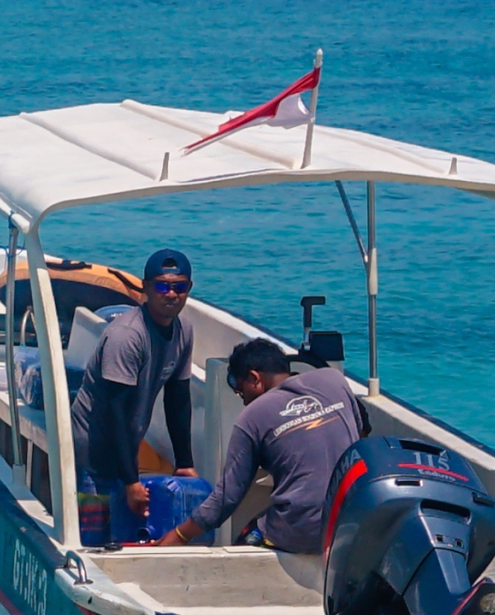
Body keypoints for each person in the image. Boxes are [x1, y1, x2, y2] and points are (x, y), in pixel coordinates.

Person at [159, 335, 366, 581]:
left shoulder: (252, 417)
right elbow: (362, 430)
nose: (243, 400)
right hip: (353, 520)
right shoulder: (333, 379)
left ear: (254, 379)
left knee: (245, 542)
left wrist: (179, 535)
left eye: (241, 392)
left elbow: (226, 498)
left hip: (301, 531)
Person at [89, 248, 203, 493]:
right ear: (145, 288)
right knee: (96, 528)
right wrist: (131, 481)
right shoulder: (127, 335)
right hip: (94, 448)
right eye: (162, 287)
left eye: (179, 287)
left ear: (189, 288)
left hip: (128, 444)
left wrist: (184, 462)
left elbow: (178, 400)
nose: (171, 294)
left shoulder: (183, 329)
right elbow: (115, 411)